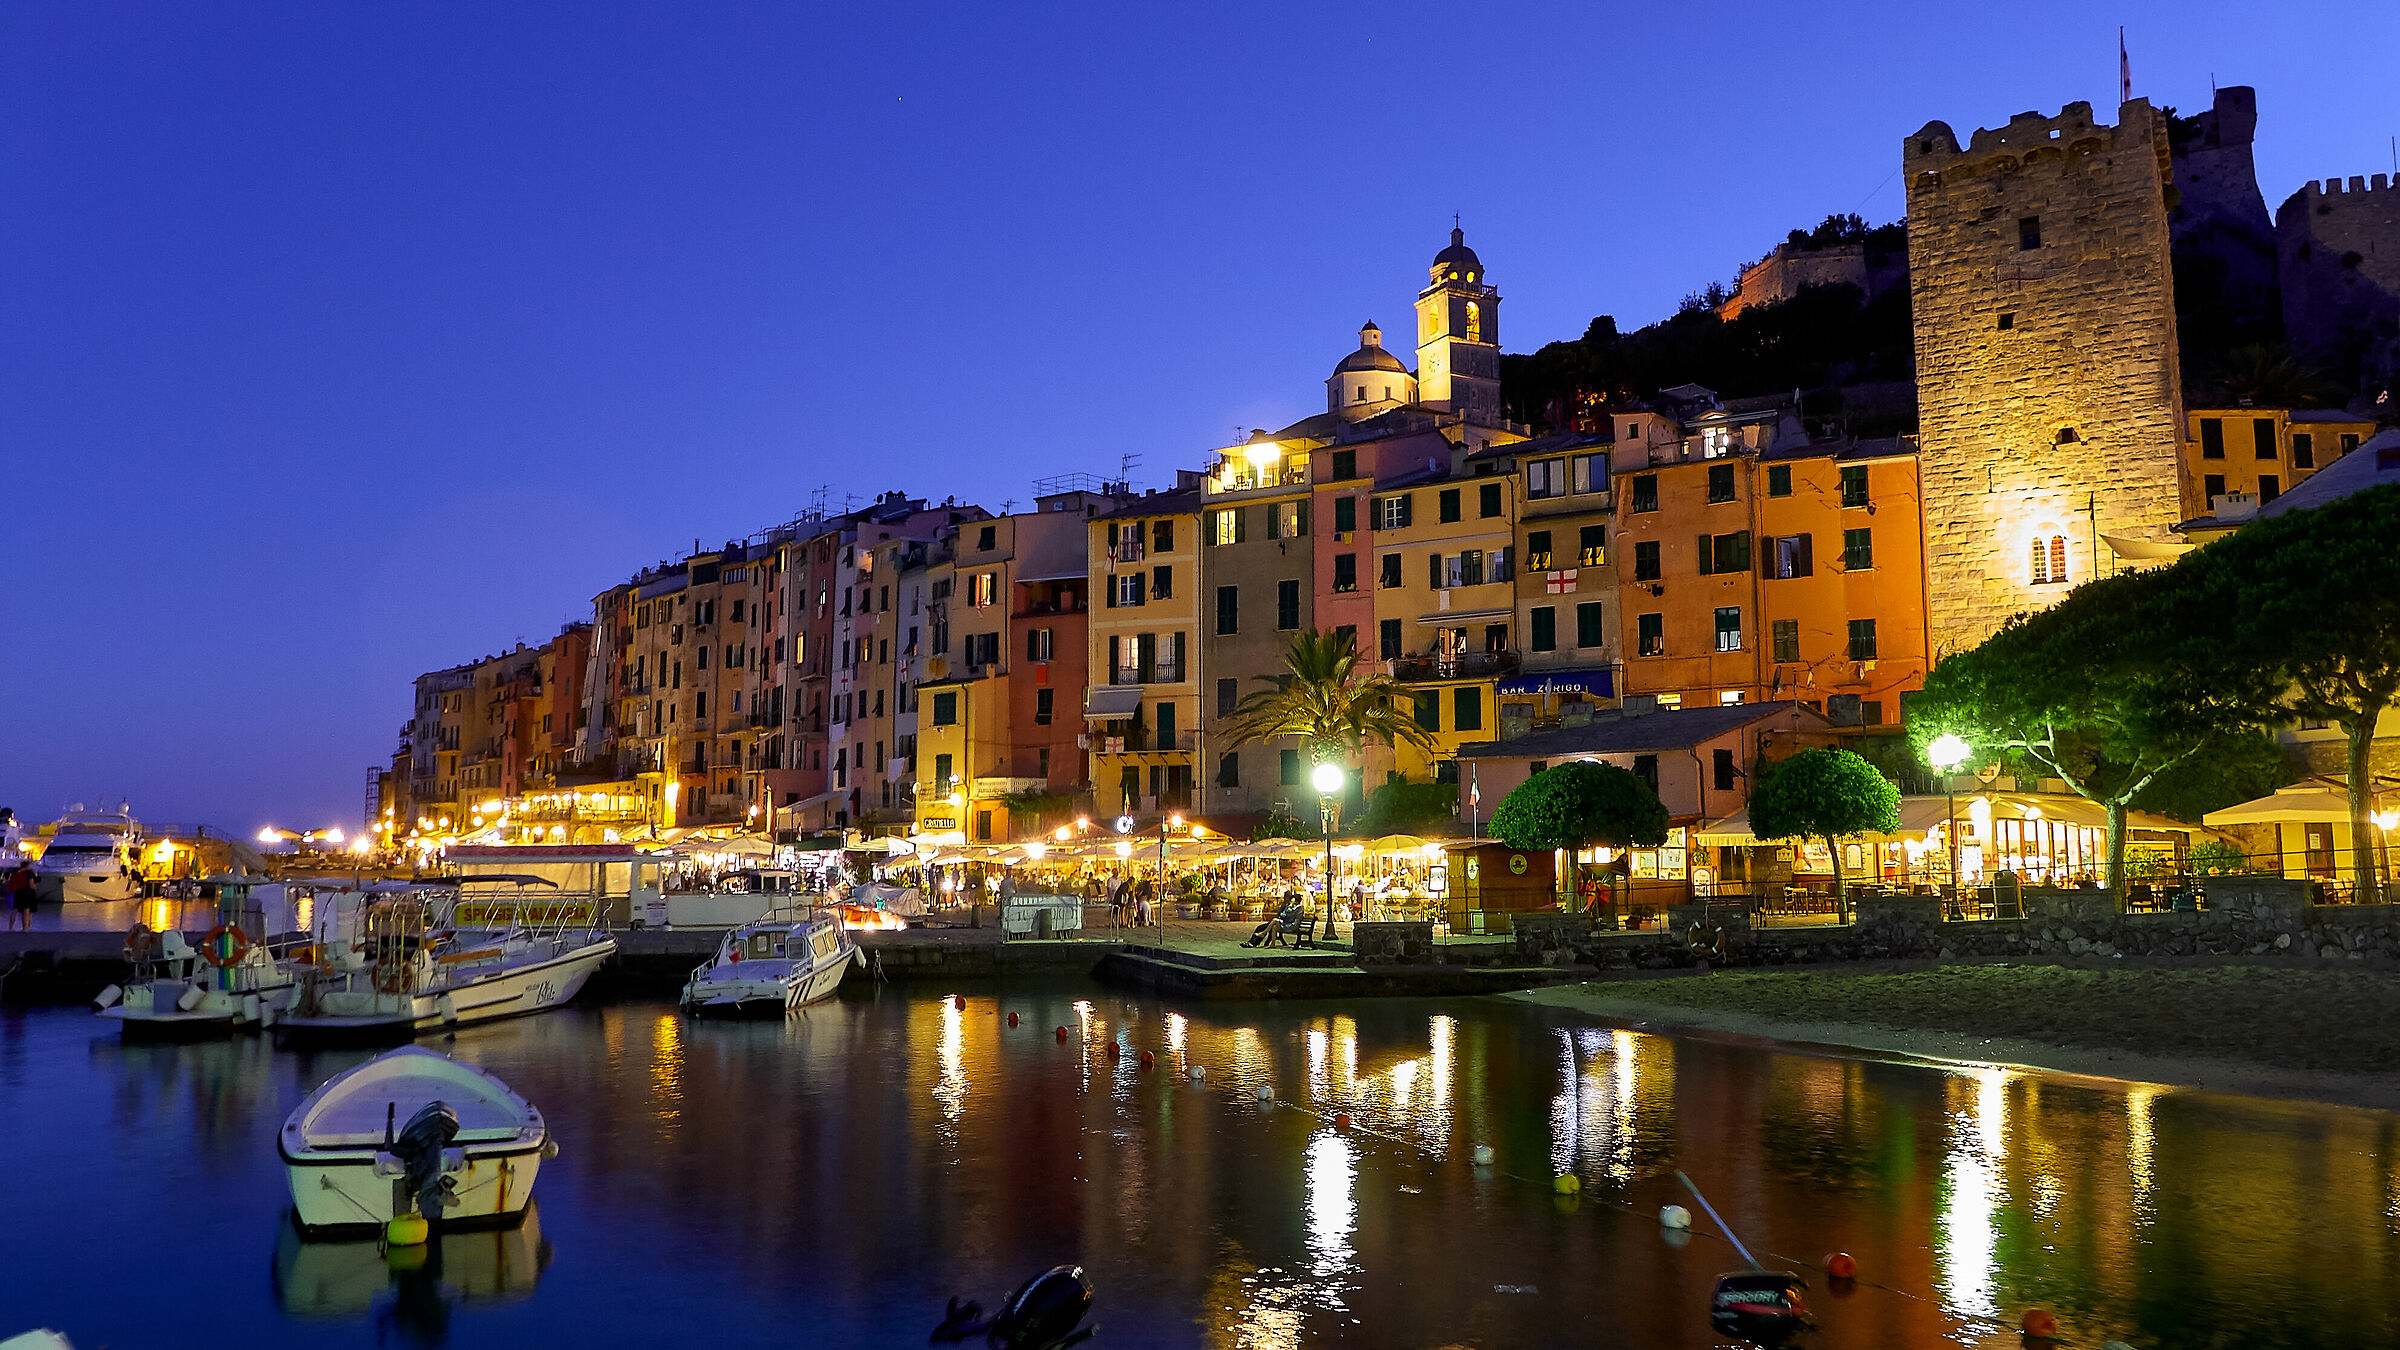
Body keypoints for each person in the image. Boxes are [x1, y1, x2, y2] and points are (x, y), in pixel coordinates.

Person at [5, 861, 34, 932]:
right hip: (26, 893)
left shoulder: (16, 873)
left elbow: (10, 883)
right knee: (26, 911)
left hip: (17, 893)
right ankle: (26, 928)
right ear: (27, 866)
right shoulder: (28, 873)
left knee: (15, 910)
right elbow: (31, 885)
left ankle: (10, 928)